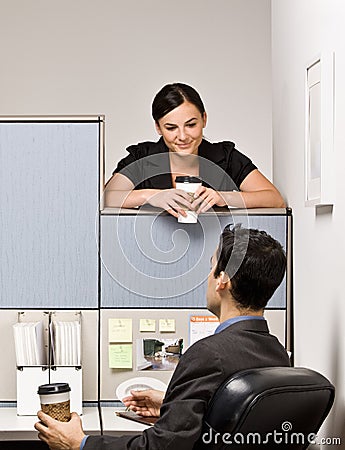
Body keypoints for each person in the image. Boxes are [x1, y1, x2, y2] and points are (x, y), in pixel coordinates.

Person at [35, 224, 291, 450]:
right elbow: (230, 426)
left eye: (211, 267)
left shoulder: (209, 354)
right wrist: (173, 405)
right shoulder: (278, 355)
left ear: (221, 281)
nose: (208, 277)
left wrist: (80, 444)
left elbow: (160, 446)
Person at [104, 83, 286, 218]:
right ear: (158, 128)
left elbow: (275, 199)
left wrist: (222, 198)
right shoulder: (142, 157)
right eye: (171, 128)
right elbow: (105, 198)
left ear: (204, 119)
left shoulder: (224, 156)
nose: (182, 136)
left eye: (191, 125)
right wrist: (151, 196)